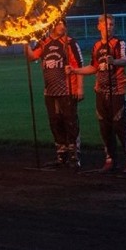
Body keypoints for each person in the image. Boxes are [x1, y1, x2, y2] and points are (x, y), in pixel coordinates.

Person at [68, 14, 126, 174]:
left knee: (120, 125)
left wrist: (114, 61)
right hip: (100, 91)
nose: (109, 27)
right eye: (106, 24)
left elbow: (125, 60)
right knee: (104, 127)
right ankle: (110, 159)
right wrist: (75, 70)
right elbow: (93, 67)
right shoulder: (96, 46)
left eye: (111, 24)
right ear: (99, 26)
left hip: (117, 91)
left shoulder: (119, 43)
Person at [26, 19, 84, 169]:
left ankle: (74, 154)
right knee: (55, 121)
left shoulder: (70, 43)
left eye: (63, 24)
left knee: (70, 121)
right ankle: (61, 153)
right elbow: (32, 57)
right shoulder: (44, 42)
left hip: (67, 89)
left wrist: (79, 88)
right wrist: (25, 42)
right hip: (50, 91)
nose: (62, 27)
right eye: (58, 24)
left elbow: (78, 66)